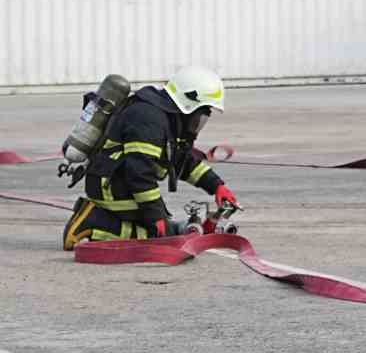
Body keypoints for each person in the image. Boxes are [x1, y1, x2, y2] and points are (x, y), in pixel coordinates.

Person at [61, 67, 238, 248]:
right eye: (202, 114)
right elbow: (139, 174)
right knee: (160, 237)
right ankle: (93, 221)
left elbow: (181, 162)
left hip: (117, 182)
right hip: (111, 187)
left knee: (165, 228)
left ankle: (104, 218)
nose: (200, 122)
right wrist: (156, 217)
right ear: (189, 103)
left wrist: (217, 186)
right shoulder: (149, 120)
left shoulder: (168, 117)